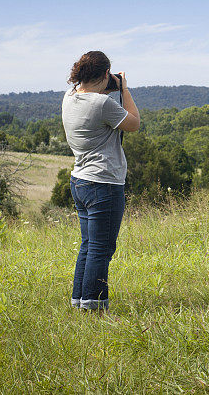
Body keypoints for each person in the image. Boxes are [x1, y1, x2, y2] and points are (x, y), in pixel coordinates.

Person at [62, 51, 140, 311]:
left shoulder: (70, 97)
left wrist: (108, 86)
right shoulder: (102, 105)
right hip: (104, 183)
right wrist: (124, 89)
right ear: (106, 74)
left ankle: (80, 301)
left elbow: (92, 98)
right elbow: (133, 124)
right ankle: (94, 306)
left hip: (80, 180)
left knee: (88, 246)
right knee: (101, 249)